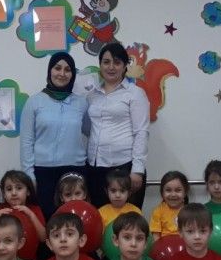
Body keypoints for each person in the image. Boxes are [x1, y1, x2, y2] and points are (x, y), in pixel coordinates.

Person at [20, 52, 88, 220]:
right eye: (57, 68)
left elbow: (90, 132)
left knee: (74, 221)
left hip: (74, 170)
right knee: (48, 220)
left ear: (72, 75)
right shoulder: (34, 102)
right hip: (43, 173)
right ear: (50, 71)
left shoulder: (81, 103)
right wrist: (29, 175)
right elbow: (26, 141)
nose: (62, 73)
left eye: (67, 70)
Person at [85, 43, 150, 209]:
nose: (111, 67)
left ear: (125, 66)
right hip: (96, 167)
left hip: (125, 167)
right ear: (100, 65)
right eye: (106, 62)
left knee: (128, 221)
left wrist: (137, 170)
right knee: (100, 217)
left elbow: (141, 132)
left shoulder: (135, 93)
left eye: (117, 62)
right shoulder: (92, 95)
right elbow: (88, 129)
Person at [0, 170, 46, 260]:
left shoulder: (34, 210)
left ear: (28, 191)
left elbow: (43, 238)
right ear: (4, 194)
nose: (14, 193)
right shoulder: (0, 209)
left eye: (19, 188)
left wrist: (31, 214)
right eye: (9, 189)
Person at [150, 171, 190, 240]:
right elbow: (156, 237)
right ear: (162, 193)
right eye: (168, 190)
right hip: (164, 246)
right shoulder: (158, 211)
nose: (173, 194)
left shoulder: (189, 211)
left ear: (185, 192)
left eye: (178, 190)